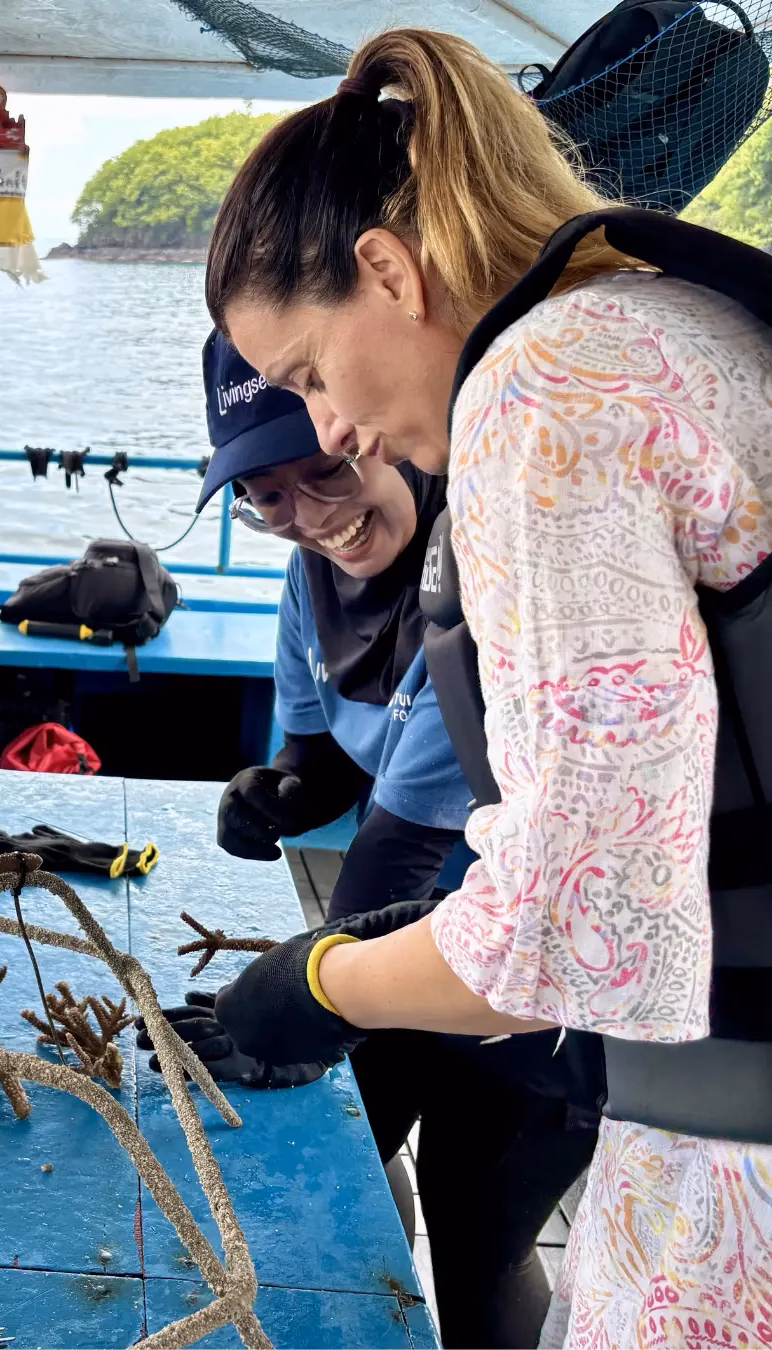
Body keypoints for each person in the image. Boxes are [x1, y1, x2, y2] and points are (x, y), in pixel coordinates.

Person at [159, 28, 772, 1350]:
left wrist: (319, 983)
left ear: (390, 270)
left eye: (311, 374)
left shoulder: (542, 392)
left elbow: (577, 932)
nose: (331, 429)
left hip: (740, 1177)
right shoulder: (680, 316)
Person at [143, 329, 600, 1347]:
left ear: (372, 432)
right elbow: (326, 762)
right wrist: (278, 795)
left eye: (325, 470)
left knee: (479, 1243)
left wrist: (293, 1005)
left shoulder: (477, 585)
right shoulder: (307, 582)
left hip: (528, 983)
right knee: (358, 1179)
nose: (309, 515)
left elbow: (395, 852)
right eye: (266, 496)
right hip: (403, 953)